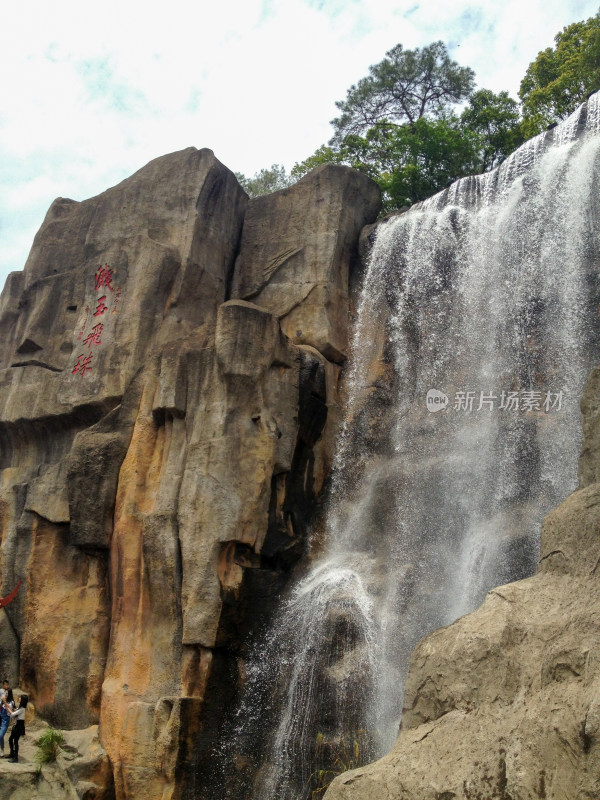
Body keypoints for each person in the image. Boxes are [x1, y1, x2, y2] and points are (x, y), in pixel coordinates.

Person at [3, 693, 27, 763]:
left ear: (22, 700)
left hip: (19, 726)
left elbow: (13, 714)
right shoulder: (20, 708)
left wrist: (7, 707)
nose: (19, 698)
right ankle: (12, 754)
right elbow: (15, 713)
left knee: (15, 741)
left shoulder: (22, 709)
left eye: (20, 698)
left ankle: (15, 757)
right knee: (11, 739)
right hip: (18, 725)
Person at [0, 680, 10, 757]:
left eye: (6, 694)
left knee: (1, 735)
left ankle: (2, 749)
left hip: (5, 720)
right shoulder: (1, 691)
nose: (5, 695)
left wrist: (4, 701)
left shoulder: (10, 702)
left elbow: (9, 709)